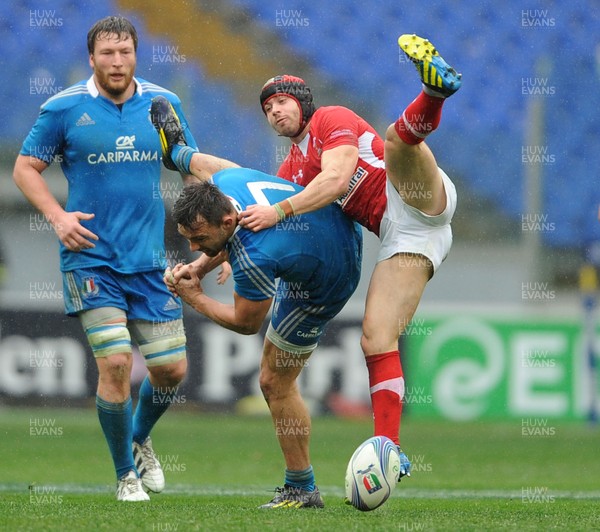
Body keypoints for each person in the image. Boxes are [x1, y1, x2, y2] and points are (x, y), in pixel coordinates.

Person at [236, 34, 462, 479]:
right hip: (406, 237)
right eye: (267, 108)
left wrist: (279, 209)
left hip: (414, 194)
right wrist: (219, 260)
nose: (275, 111)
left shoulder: (329, 119)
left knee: (397, 142)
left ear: (302, 102)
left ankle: (434, 91)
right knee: (375, 339)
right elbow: (272, 225)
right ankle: (390, 452)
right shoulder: (290, 171)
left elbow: (338, 179)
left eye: (281, 101)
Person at [13, 16, 199, 501]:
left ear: (136, 55)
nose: (117, 62)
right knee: (116, 363)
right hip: (91, 260)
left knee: (172, 371)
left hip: (149, 262)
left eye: (125, 53)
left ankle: (138, 438)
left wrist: (209, 242)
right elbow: (25, 167)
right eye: (107, 54)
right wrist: (58, 217)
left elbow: (190, 170)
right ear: (91, 58)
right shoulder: (64, 109)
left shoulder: (163, 104)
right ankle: (125, 476)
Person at [158, 161, 362, 508]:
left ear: (226, 221)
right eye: (188, 239)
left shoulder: (255, 257)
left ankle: (302, 490)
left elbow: (246, 323)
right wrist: (199, 267)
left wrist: (195, 298)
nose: (192, 248)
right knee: (274, 377)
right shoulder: (225, 183)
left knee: (274, 381)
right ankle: (301, 488)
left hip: (328, 279)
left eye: (199, 240)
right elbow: (229, 235)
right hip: (335, 227)